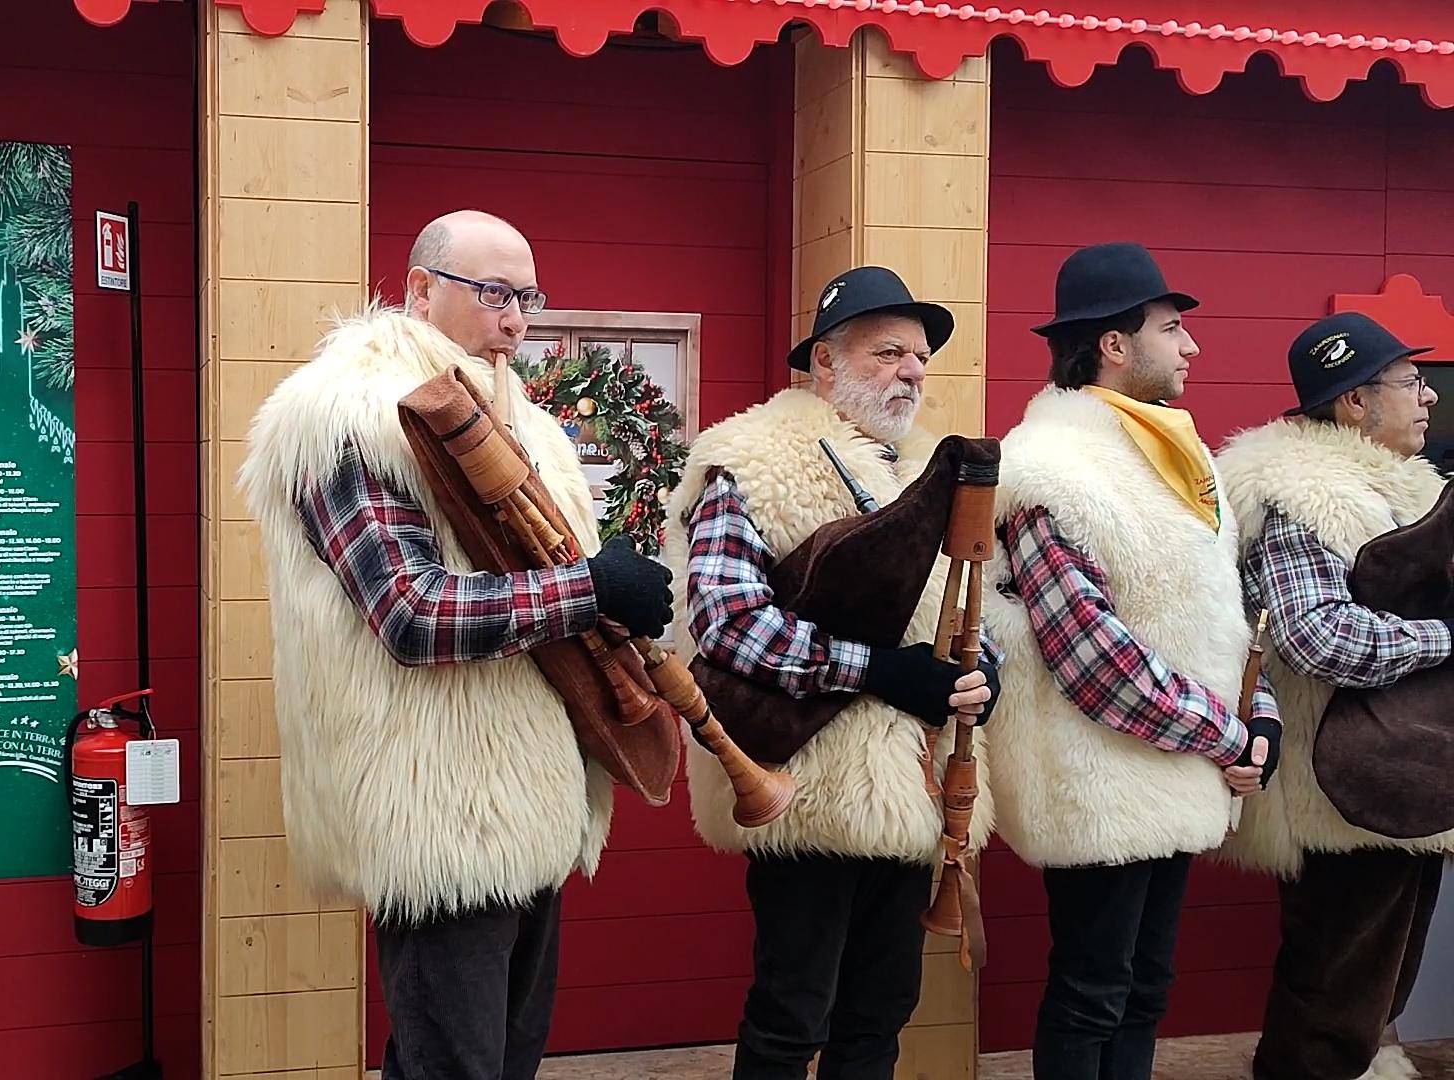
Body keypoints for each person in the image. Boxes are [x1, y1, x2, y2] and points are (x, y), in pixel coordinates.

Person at [237, 209, 675, 1080]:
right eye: (495, 294)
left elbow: (540, 599)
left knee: (506, 1063)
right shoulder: (349, 416)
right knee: (453, 1070)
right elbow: (409, 611)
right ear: (421, 290)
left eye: (529, 297)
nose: (517, 320)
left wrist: (610, 610)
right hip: (435, 814)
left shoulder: (531, 431)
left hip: (532, 804)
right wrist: (589, 587)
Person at [661, 265, 998, 1080]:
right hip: (803, 785)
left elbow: (968, 615)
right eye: (888, 353)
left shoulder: (926, 470)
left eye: (918, 357)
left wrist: (975, 675)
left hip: (911, 785)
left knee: (880, 1013)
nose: (912, 372)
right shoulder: (749, 459)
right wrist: (879, 670)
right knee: (792, 1012)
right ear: (823, 364)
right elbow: (730, 625)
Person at [979, 241, 1279, 1080]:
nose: (1191, 347)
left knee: (1145, 988)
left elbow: (1223, 616)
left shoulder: (1177, 459)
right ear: (1114, 343)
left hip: (1181, 765)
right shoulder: (1048, 468)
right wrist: (1226, 734)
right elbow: (1089, 654)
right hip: (1103, 777)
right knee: (1092, 991)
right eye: (1172, 328)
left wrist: (1260, 721)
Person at [1216, 312, 1453, 1080]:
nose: (1428, 398)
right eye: (1410, 382)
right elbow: (1318, 636)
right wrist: (1448, 636)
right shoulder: (1304, 496)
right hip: (1340, 786)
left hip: (1403, 773)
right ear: (1354, 401)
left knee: (1372, 992)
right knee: (1332, 1002)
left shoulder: (1404, 487)